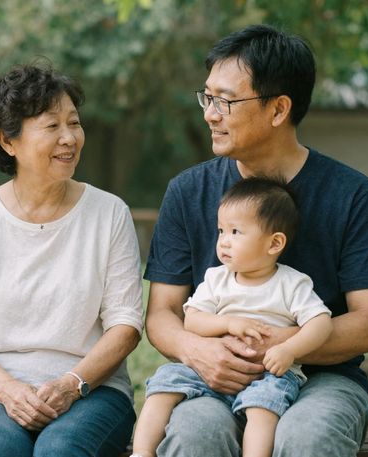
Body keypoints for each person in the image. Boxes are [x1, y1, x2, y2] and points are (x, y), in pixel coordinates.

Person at [144, 24, 368, 457]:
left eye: (225, 101)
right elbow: (162, 313)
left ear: (279, 109)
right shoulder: (188, 192)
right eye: (208, 97)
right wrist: (197, 350)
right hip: (215, 376)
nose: (210, 114)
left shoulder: (352, 195)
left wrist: (277, 345)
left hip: (323, 379)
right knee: (194, 435)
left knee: (306, 439)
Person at [0, 63, 143, 457]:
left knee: (61, 449)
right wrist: (8, 390)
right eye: (52, 126)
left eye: (74, 123)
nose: (69, 138)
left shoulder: (109, 213)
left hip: (92, 389)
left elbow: (126, 323)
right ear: (8, 141)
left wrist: (71, 385)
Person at [132, 177, 333, 457]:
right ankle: (141, 452)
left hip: (268, 373)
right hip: (211, 369)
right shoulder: (217, 278)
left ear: (274, 243)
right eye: (221, 231)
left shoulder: (291, 284)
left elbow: (320, 323)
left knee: (263, 407)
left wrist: (289, 349)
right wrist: (227, 323)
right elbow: (193, 320)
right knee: (166, 381)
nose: (224, 241)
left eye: (236, 232)